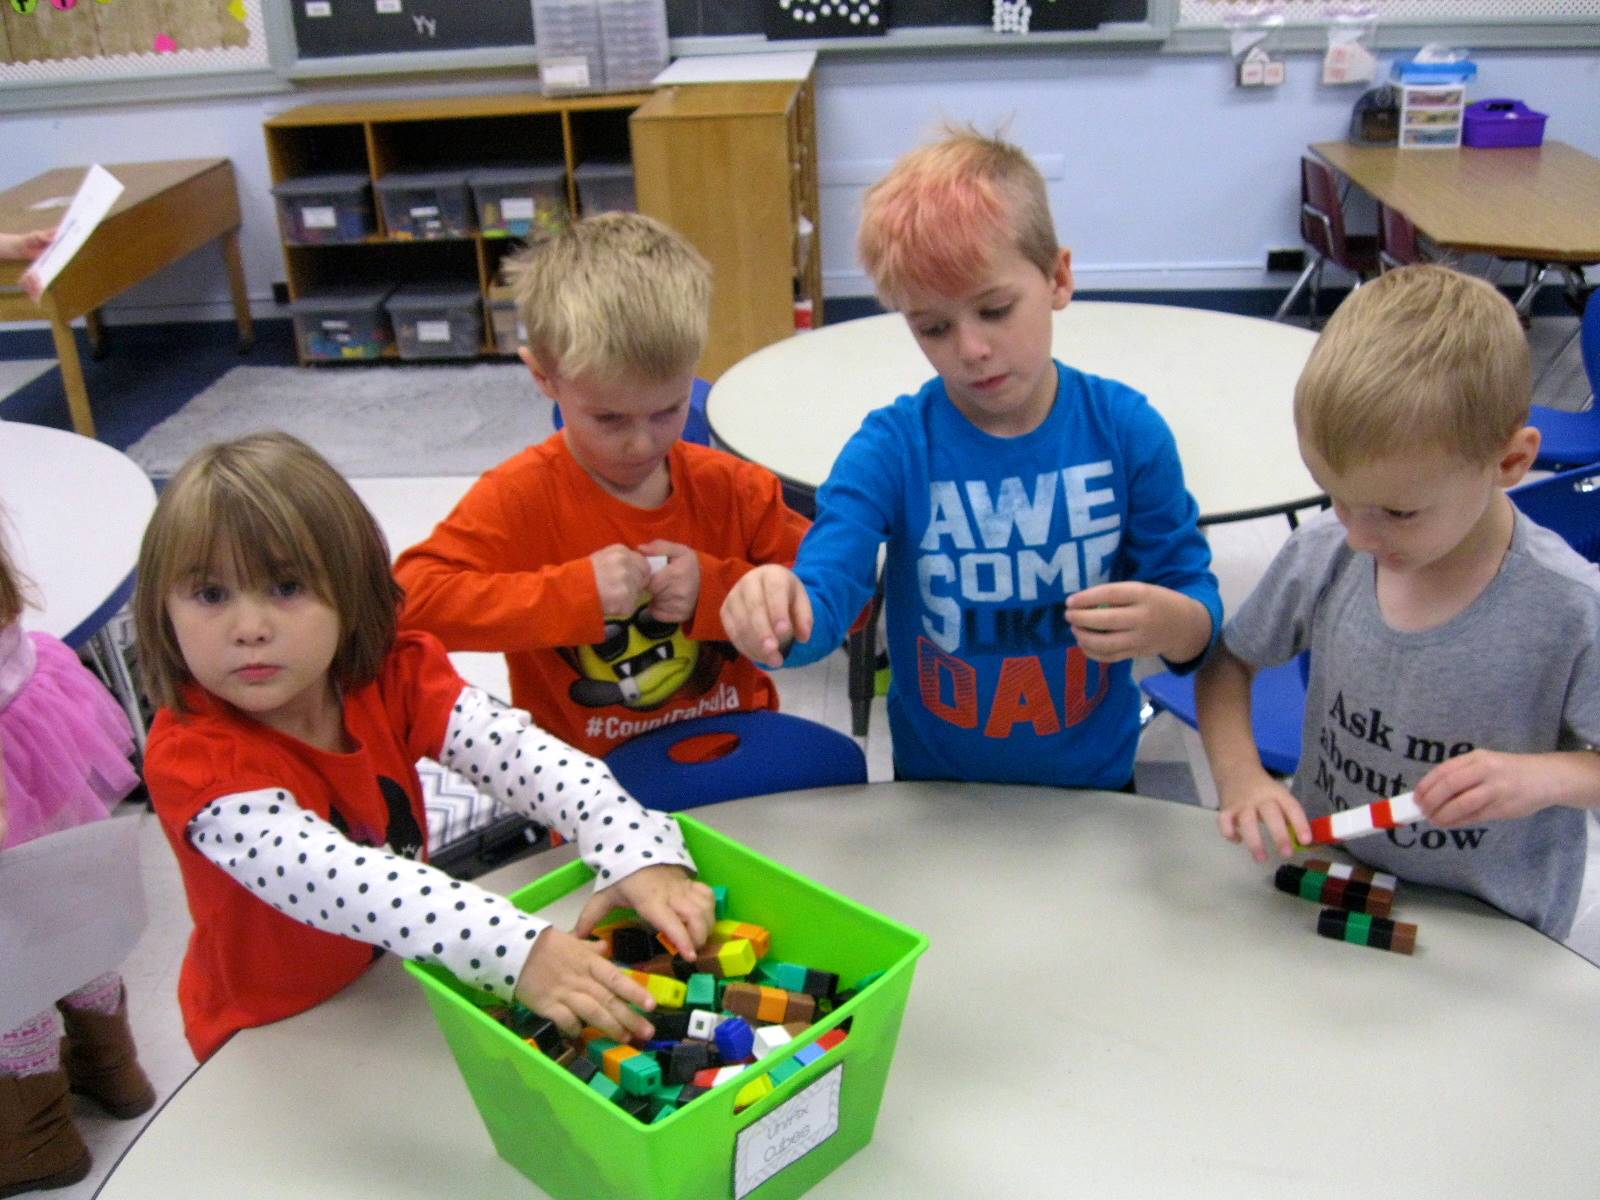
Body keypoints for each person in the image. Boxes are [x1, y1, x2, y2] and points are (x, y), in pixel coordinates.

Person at [136, 432, 715, 1066]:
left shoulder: (389, 671)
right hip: (273, 1033)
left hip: (398, 976)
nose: (249, 628)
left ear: (352, 592)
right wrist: (518, 950)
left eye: (286, 588)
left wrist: (629, 841)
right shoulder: (194, 758)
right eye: (211, 595)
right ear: (162, 611)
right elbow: (338, 880)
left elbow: (519, 753)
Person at [719, 127, 1221, 788]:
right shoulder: (891, 448)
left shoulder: (1127, 432)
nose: (971, 348)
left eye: (994, 309)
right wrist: (776, 613)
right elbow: (825, 596)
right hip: (939, 792)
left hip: (1096, 788)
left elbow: (1197, 609)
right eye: (933, 327)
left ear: (1058, 278)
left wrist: (1173, 622)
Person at [1195, 264, 1600, 961]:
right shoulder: (1328, 552)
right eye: (1335, 496)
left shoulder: (1568, 607)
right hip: (1330, 883)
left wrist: (1547, 778)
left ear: (1510, 461)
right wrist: (1240, 775)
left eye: (1399, 511)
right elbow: (1228, 664)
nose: (1359, 535)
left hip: (1492, 933)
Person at [394, 212, 809, 758]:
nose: (642, 444)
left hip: (734, 756)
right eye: (610, 420)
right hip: (590, 785)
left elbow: (845, 597)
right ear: (543, 376)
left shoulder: (736, 489)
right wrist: (574, 596)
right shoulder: (521, 496)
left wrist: (720, 589)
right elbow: (407, 604)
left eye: (669, 410)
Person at [0, 516, 151, 1197]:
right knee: (69, 919)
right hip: (35, 735)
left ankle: (37, 1138)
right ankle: (113, 1067)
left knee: (8, 966)